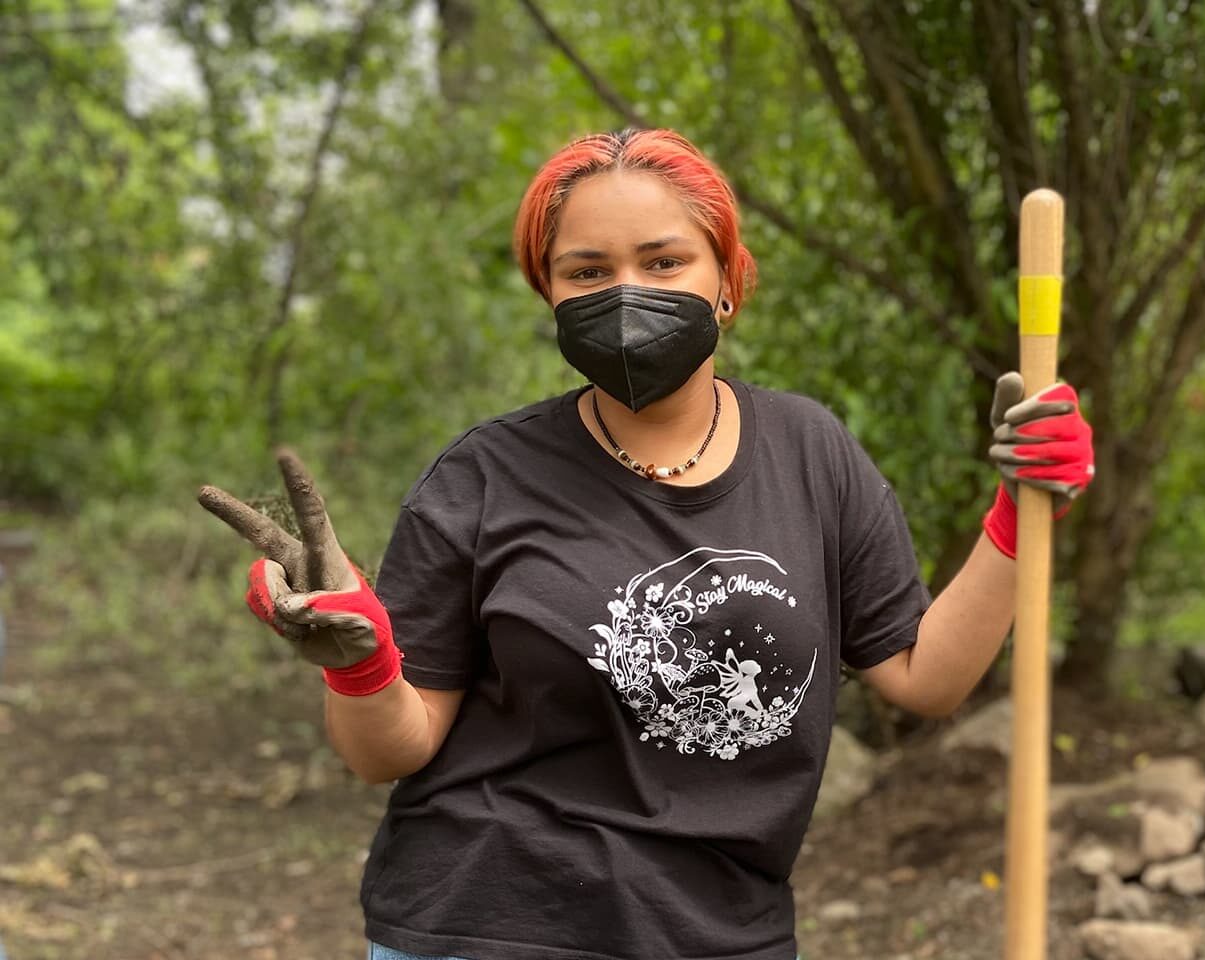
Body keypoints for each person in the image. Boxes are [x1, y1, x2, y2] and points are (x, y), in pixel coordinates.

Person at [198, 128, 1094, 960]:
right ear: (548, 292)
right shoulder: (485, 476)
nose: (627, 294)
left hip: (723, 931)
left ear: (726, 280)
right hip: (490, 924)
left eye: (664, 261)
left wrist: (1019, 512)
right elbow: (385, 751)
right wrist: (359, 664)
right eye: (587, 272)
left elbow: (925, 677)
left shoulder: (811, 454)